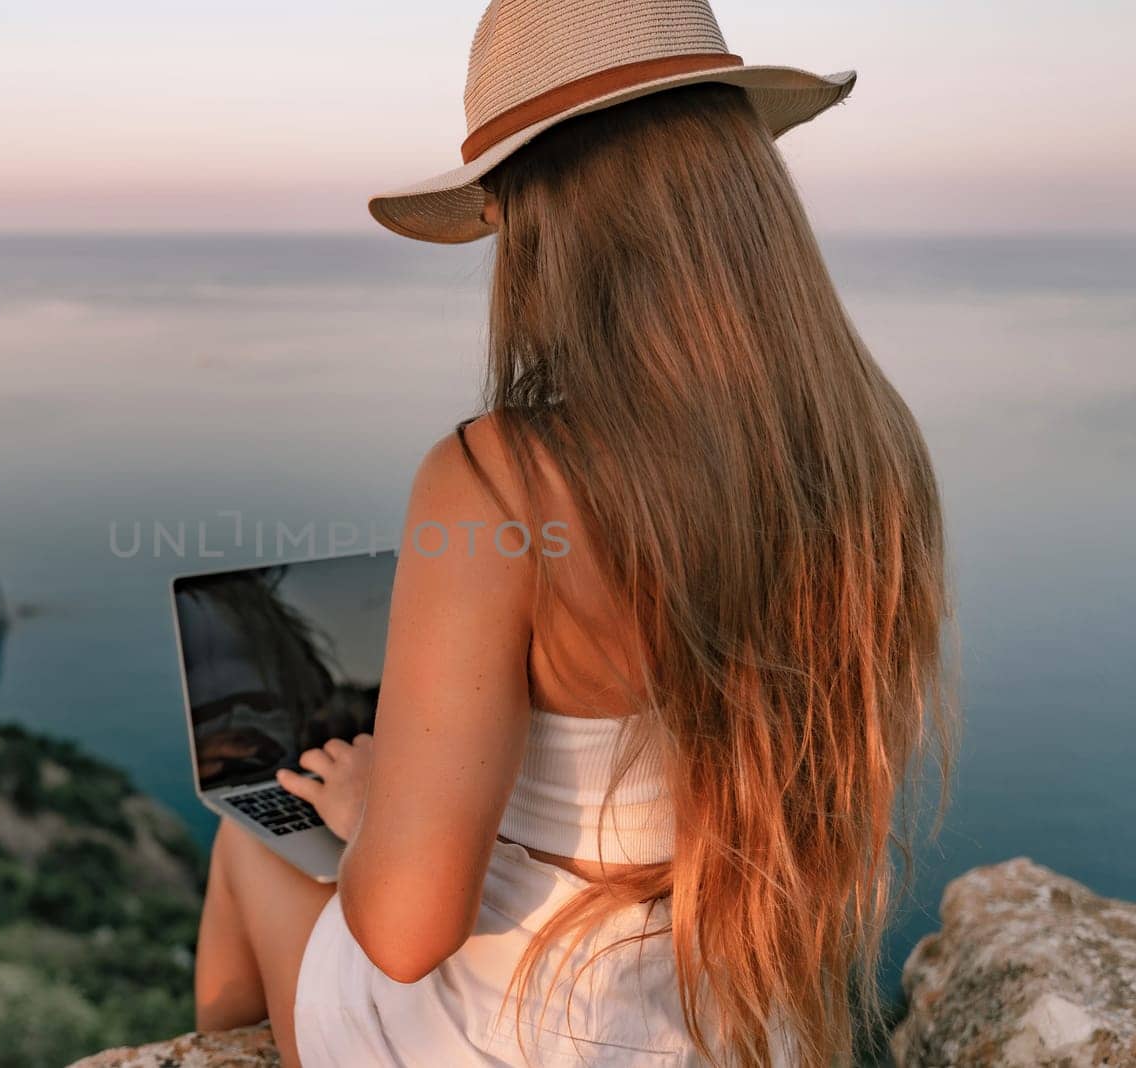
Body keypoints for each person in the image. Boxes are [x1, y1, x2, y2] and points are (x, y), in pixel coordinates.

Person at [192, 1, 954, 1064]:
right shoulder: (869, 450)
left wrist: (372, 811)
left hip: (512, 1036)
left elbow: (408, 935)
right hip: (747, 1026)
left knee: (252, 843)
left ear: (536, 218)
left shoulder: (495, 479)